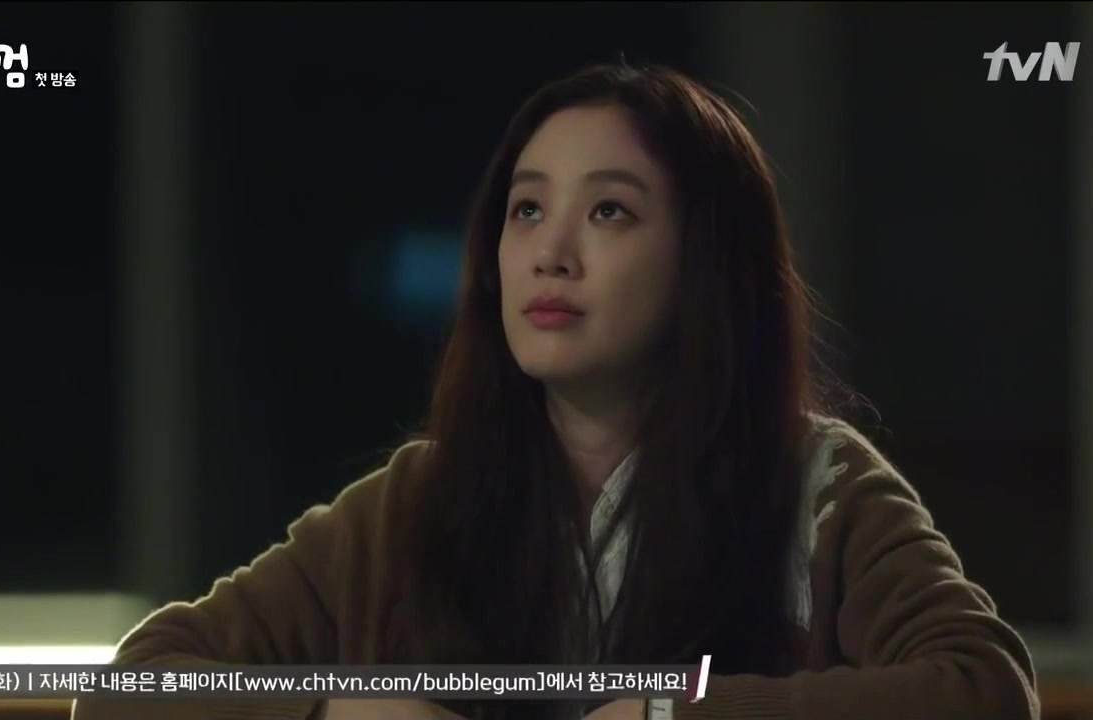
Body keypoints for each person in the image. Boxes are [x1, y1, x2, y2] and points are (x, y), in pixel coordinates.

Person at [71, 62, 1039, 720]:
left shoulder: (818, 487)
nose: (550, 252)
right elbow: (131, 688)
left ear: (705, 262)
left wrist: (672, 713)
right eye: (526, 209)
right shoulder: (412, 504)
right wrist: (327, 709)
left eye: (608, 211)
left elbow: (984, 688)